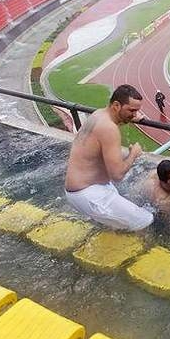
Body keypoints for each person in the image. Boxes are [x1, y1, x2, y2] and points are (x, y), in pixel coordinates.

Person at [64, 84, 153, 231]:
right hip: (89, 194)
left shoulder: (99, 114)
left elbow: (103, 135)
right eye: (132, 110)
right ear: (116, 105)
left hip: (79, 190)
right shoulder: (109, 129)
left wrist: (130, 117)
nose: (135, 115)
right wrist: (133, 154)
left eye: (137, 111)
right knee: (146, 221)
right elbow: (117, 175)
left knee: (118, 224)